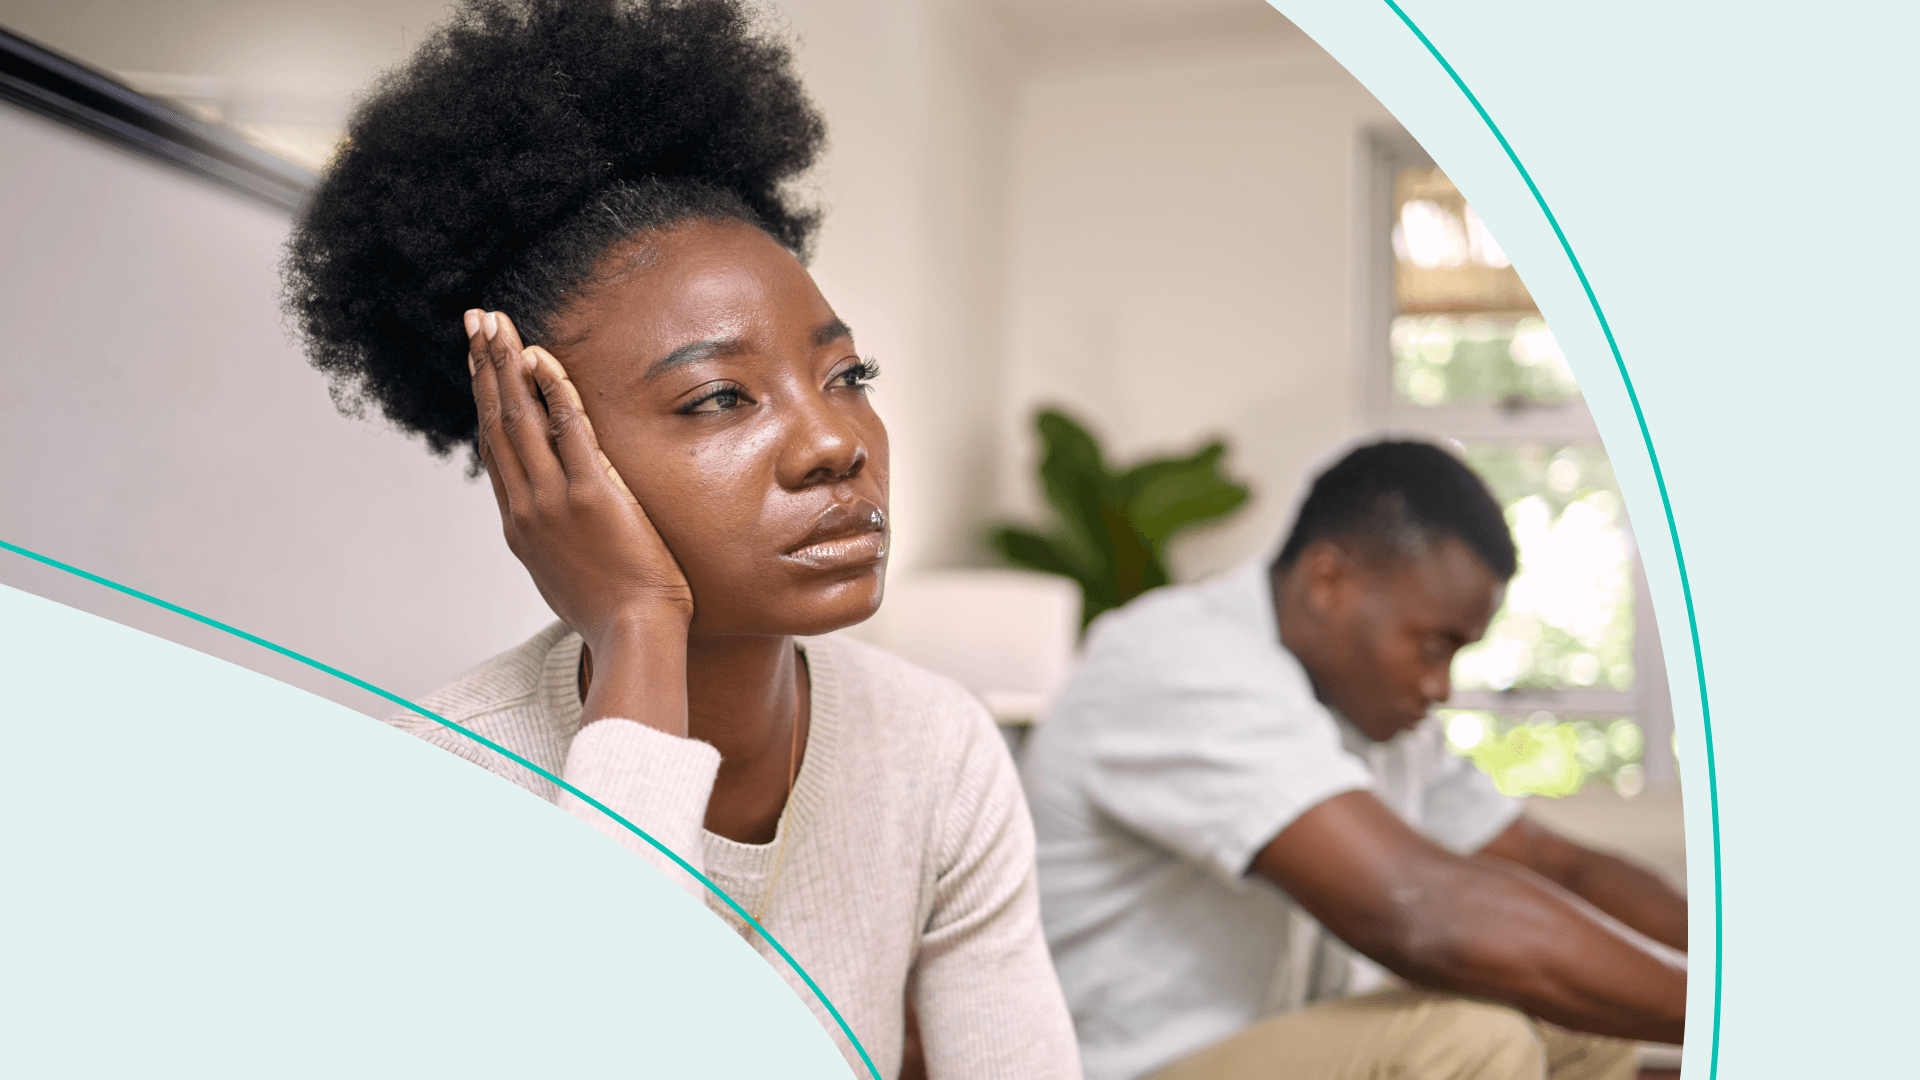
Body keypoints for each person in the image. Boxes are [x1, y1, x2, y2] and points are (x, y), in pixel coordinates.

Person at [279, 2, 1079, 1077]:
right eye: (717, 399)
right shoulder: (447, 784)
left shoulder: (936, 751)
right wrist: (637, 626)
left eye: (848, 377)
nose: (835, 443)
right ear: (548, 457)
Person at [1021, 440, 1687, 1080]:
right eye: (1432, 644)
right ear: (1328, 581)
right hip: (1122, 1069)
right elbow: (1424, 914)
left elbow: (1554, 864)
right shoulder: (1179, 662)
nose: (1441, 687)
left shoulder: (1372, 709)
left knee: (1586, 1020)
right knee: (1466, 1046)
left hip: (1277, 1046)